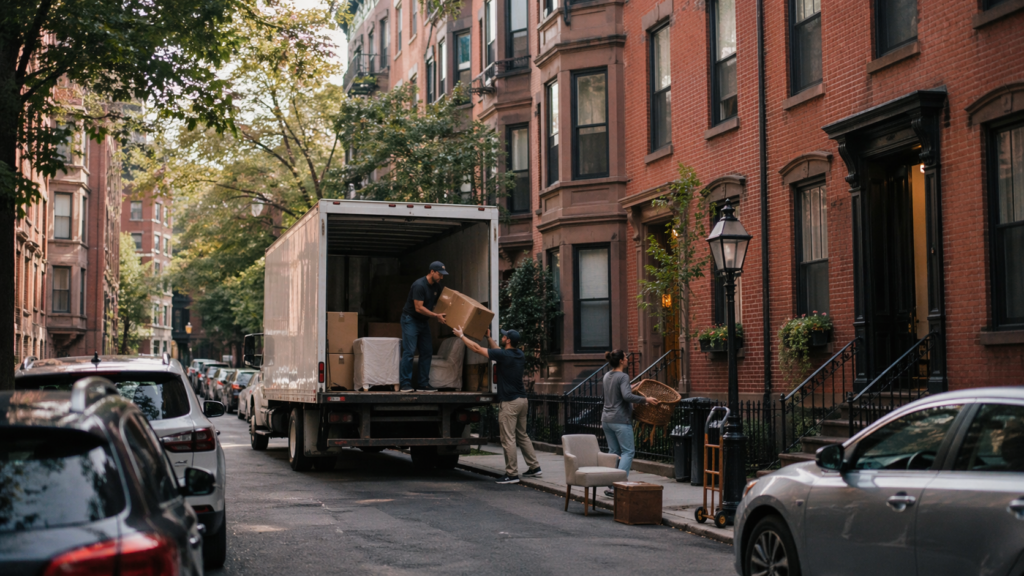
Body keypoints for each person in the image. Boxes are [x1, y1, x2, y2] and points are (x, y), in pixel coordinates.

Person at [453, 326, 541, 484]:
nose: (503, 337)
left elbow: (476, 348)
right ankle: (534, 467)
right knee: (522, 435)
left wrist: (461, 336)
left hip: (510, 402)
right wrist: (488, 338)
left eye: (505, 336)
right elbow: (497, 351)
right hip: (522, 401)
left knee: (508, 439)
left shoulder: (504, 355)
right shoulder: (518, 354)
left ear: (508, 340)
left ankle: (512, 474)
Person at [601, 349, 658, 497]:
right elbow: (626, 396)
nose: (627, 359)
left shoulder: (607, 375)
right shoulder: (623, 376)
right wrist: (646, 400)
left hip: (606, 419)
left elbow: (617, 393)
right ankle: (617, 486)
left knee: (613, 452)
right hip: (620, 419)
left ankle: (610, 485)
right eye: (625, 357)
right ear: (621, 361)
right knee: (628, 452)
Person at [399, 262, 449, 392]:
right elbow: (418, 308)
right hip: (410, 320)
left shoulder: (437, 287)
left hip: (423, 322)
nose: (441, 277)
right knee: (409, 352)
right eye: (439, 274)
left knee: (427, 351)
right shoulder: (419, 285)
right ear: (432, 271)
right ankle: (405, 384)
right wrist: (436, 315)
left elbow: (438, 304)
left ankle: (423, 384)